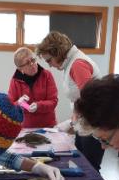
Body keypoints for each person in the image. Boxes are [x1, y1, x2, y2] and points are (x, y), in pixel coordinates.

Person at [36, 31, 104, 171]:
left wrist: (72, 122)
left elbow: (89, 100)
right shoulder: (71, 63)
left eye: (49, 60)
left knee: (89, 167)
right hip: (85, 122)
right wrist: (73, 119)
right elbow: (79, 97)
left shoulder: (77, 64)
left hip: (92, 124)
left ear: (57, 52)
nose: (49, 65)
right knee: (81, 162)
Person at [8, 47, 58, 128]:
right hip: (25, 127)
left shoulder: (47, 75)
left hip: (48, 126)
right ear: (20, 69)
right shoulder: (15, 81)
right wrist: (19, 103)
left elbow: (53, 101)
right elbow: (10, 106)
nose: (32, 64)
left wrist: (39, 106)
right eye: (27, 63)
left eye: (33, 60)